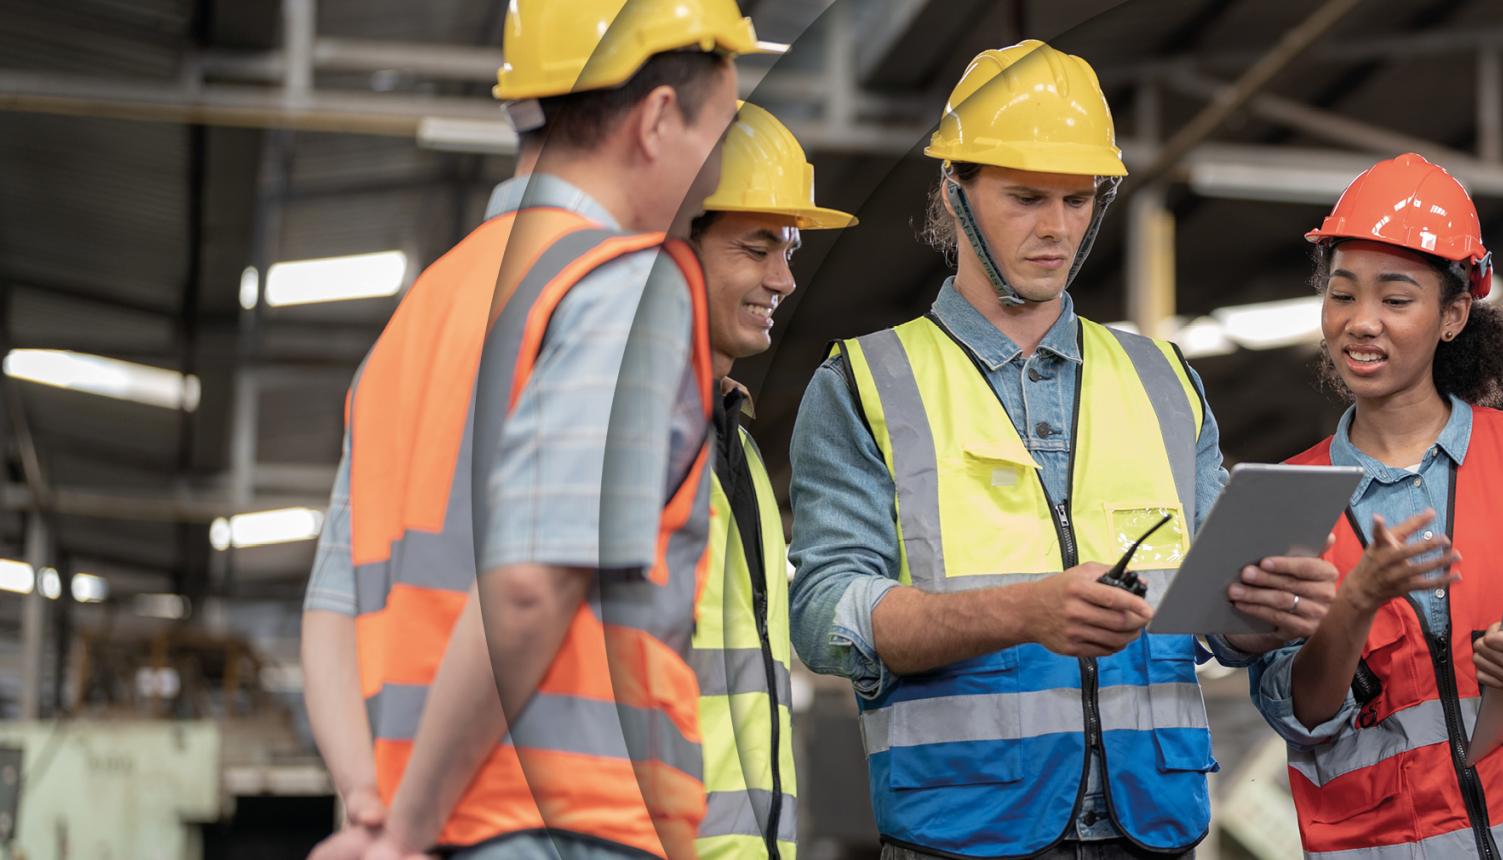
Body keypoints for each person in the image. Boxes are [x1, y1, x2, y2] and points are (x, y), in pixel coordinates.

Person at [786, 40, 1335, 859]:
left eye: (1078, 200)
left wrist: (1267, 612)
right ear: (954, 191)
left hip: (1154, 825)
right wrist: (1022, 612)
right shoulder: (866, 381)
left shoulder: (1162, 380)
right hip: (965, 831)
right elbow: (824, 614)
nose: (1057, 229)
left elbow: (1218, 622)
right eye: (1026, 197)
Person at [298, 1, 759, 857]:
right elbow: (529, 586)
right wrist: (408, 826)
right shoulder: (625, 288)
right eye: (721, 129)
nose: (719, 165)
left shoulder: (417, 317)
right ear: (658, 120)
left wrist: (371, 806)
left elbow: (329, 608)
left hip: (420, 819)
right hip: (571, 820)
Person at [1251, 152, 1503, 859]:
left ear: (1453, 315)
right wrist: (1356, 601)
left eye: (1396, 298)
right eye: (1343, 295)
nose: (1362, 322)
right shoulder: (1284, 498)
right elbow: (1302, 713)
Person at [686, 101, 855, 860]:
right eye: (757, 249)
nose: (785, 278)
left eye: (788, 250)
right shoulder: (618, 433)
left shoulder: (737, 446)